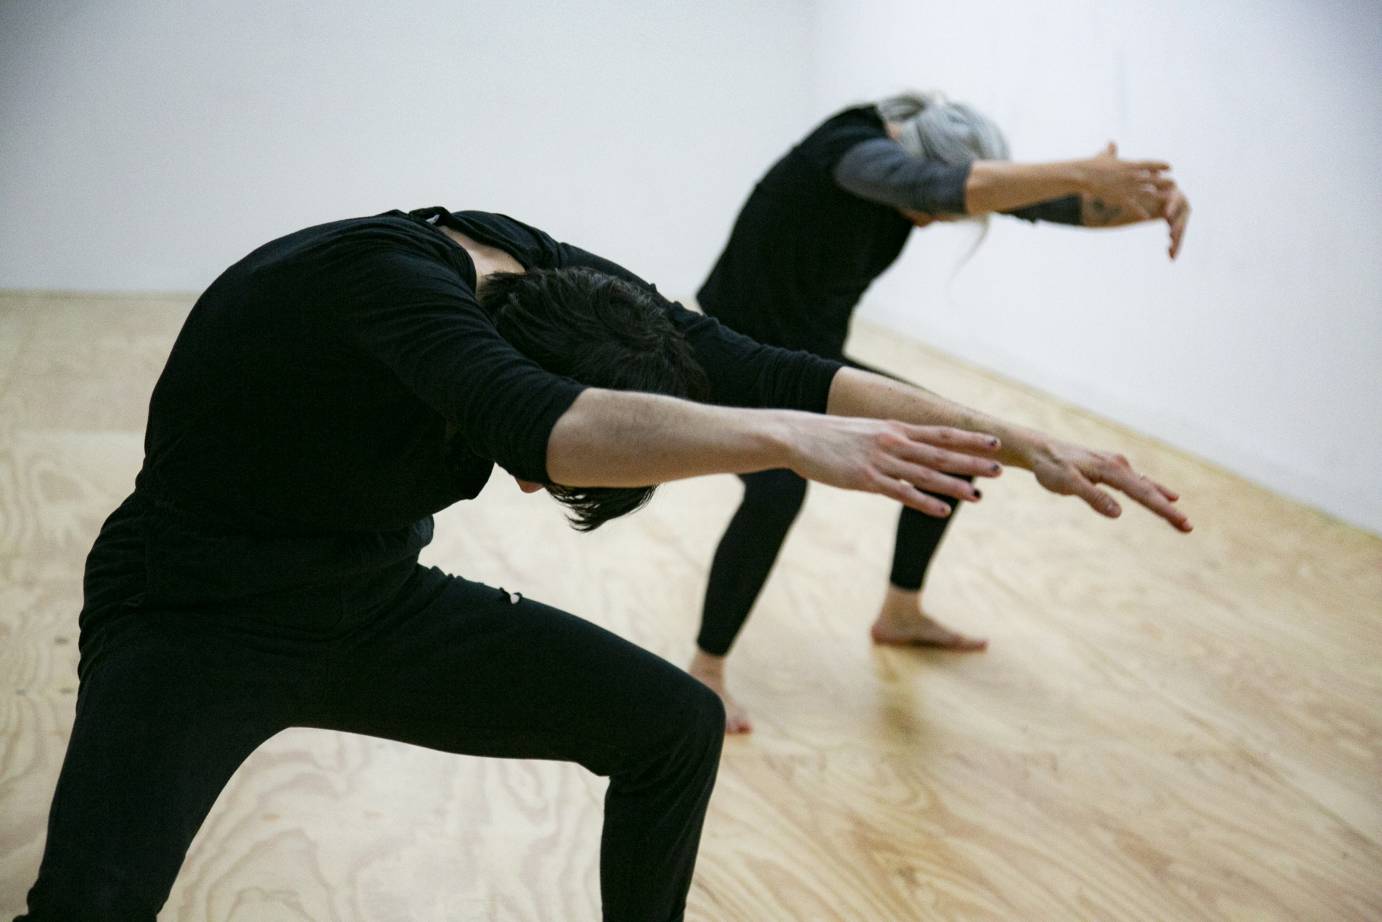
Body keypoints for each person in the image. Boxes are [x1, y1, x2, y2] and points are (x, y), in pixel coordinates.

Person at [16, 205, 1189, 922]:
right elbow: (543, 424)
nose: (525, 489)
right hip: (191, 615)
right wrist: (786, 444)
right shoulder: (377, 281)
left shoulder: (540, 271)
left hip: (369, 601)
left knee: (671, 725)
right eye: (535, 482)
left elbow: (769, 365)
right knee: (92, 908)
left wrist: (1022, 440)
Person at [689, 92, 1193, 732]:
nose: (930, 221)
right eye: (930, 209)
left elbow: (1045, 204)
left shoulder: (909, 161)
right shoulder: (848, 151)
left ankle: (900, 615)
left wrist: (1143, 209)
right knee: (776, 492)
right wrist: (1078, 168)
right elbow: (934, 184)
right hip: (730, 354)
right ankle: (705, 670)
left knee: (953, 444)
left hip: (810, 362)